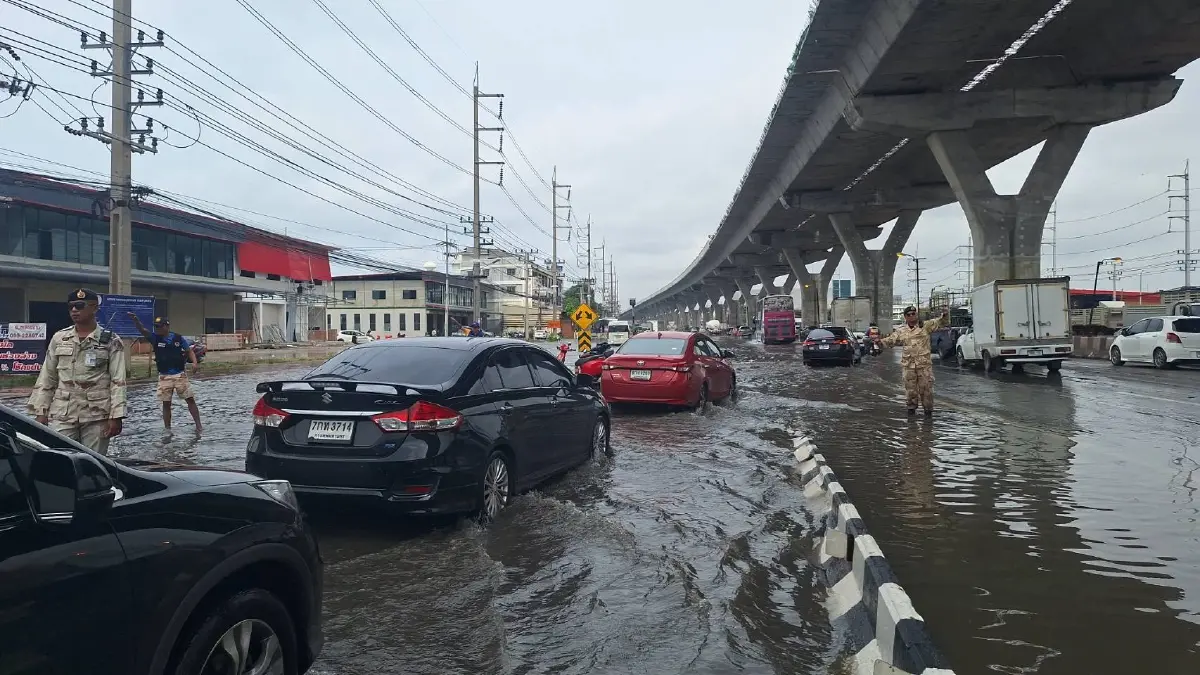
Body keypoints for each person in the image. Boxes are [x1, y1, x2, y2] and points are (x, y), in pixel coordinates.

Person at [27, 288, 127, 454]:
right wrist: (41, 411)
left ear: (94, 308)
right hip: (63, 413)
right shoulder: (59, 338)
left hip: (97, 415)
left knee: (94, 463)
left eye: (80, 306)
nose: (74, 310)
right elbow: (47, 376)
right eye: (71, 306)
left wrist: (116, 416)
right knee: (60, 459)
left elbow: (118, 381)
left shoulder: (111, 340)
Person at [129, 314, 202, 433]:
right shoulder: (155, 338)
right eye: (156, 327)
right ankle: (167, 429)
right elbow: (143, 330)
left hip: (179, 374)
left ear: (167, 326)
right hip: (164, 376)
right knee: (166, 403)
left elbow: (189, 351)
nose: (157, 329)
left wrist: (194, 363)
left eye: (159, 326)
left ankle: (199, 426)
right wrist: (136, 321)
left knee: (190, 399)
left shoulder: (178, 338)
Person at [880, 306, 949, 416]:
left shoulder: (925, 326)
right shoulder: (901, 330)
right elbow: (890, 340)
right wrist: (879, 343)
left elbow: (942, 322)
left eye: (914, 314)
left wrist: (945, 314)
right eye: (909, 315)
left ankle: (928, 413)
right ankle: (911, 412)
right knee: (910, 390)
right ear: (905, 317)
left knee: (926, 390)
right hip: (909, 366)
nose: (912, 316)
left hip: (924, 365)